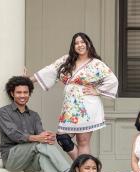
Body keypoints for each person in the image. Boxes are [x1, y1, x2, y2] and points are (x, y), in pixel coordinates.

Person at [28, 32, 118, 160]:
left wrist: (97, 91)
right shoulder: (67, 60)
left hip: (87, 106)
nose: (79, 45)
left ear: (88, 44)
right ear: (73, 46)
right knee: (62, 137)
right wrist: (28, 80)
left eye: (82, 42)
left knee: (83, 142)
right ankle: (85, 168)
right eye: (76, 43)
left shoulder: (96, 64)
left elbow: (112, 80)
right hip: (69, 107)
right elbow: (49, 70)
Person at [0, 76, 70, 172]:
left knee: (44, 156)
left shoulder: (34, 115)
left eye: (25, 92)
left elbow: (41, 135)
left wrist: (47, 138)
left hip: (29, 161)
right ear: (12, 93)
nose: (22, 95)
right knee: (38, 144)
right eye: (19, 92)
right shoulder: (4, 112)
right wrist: (38, 138)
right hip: (12, 158)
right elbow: (13, 134)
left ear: (29, 94)